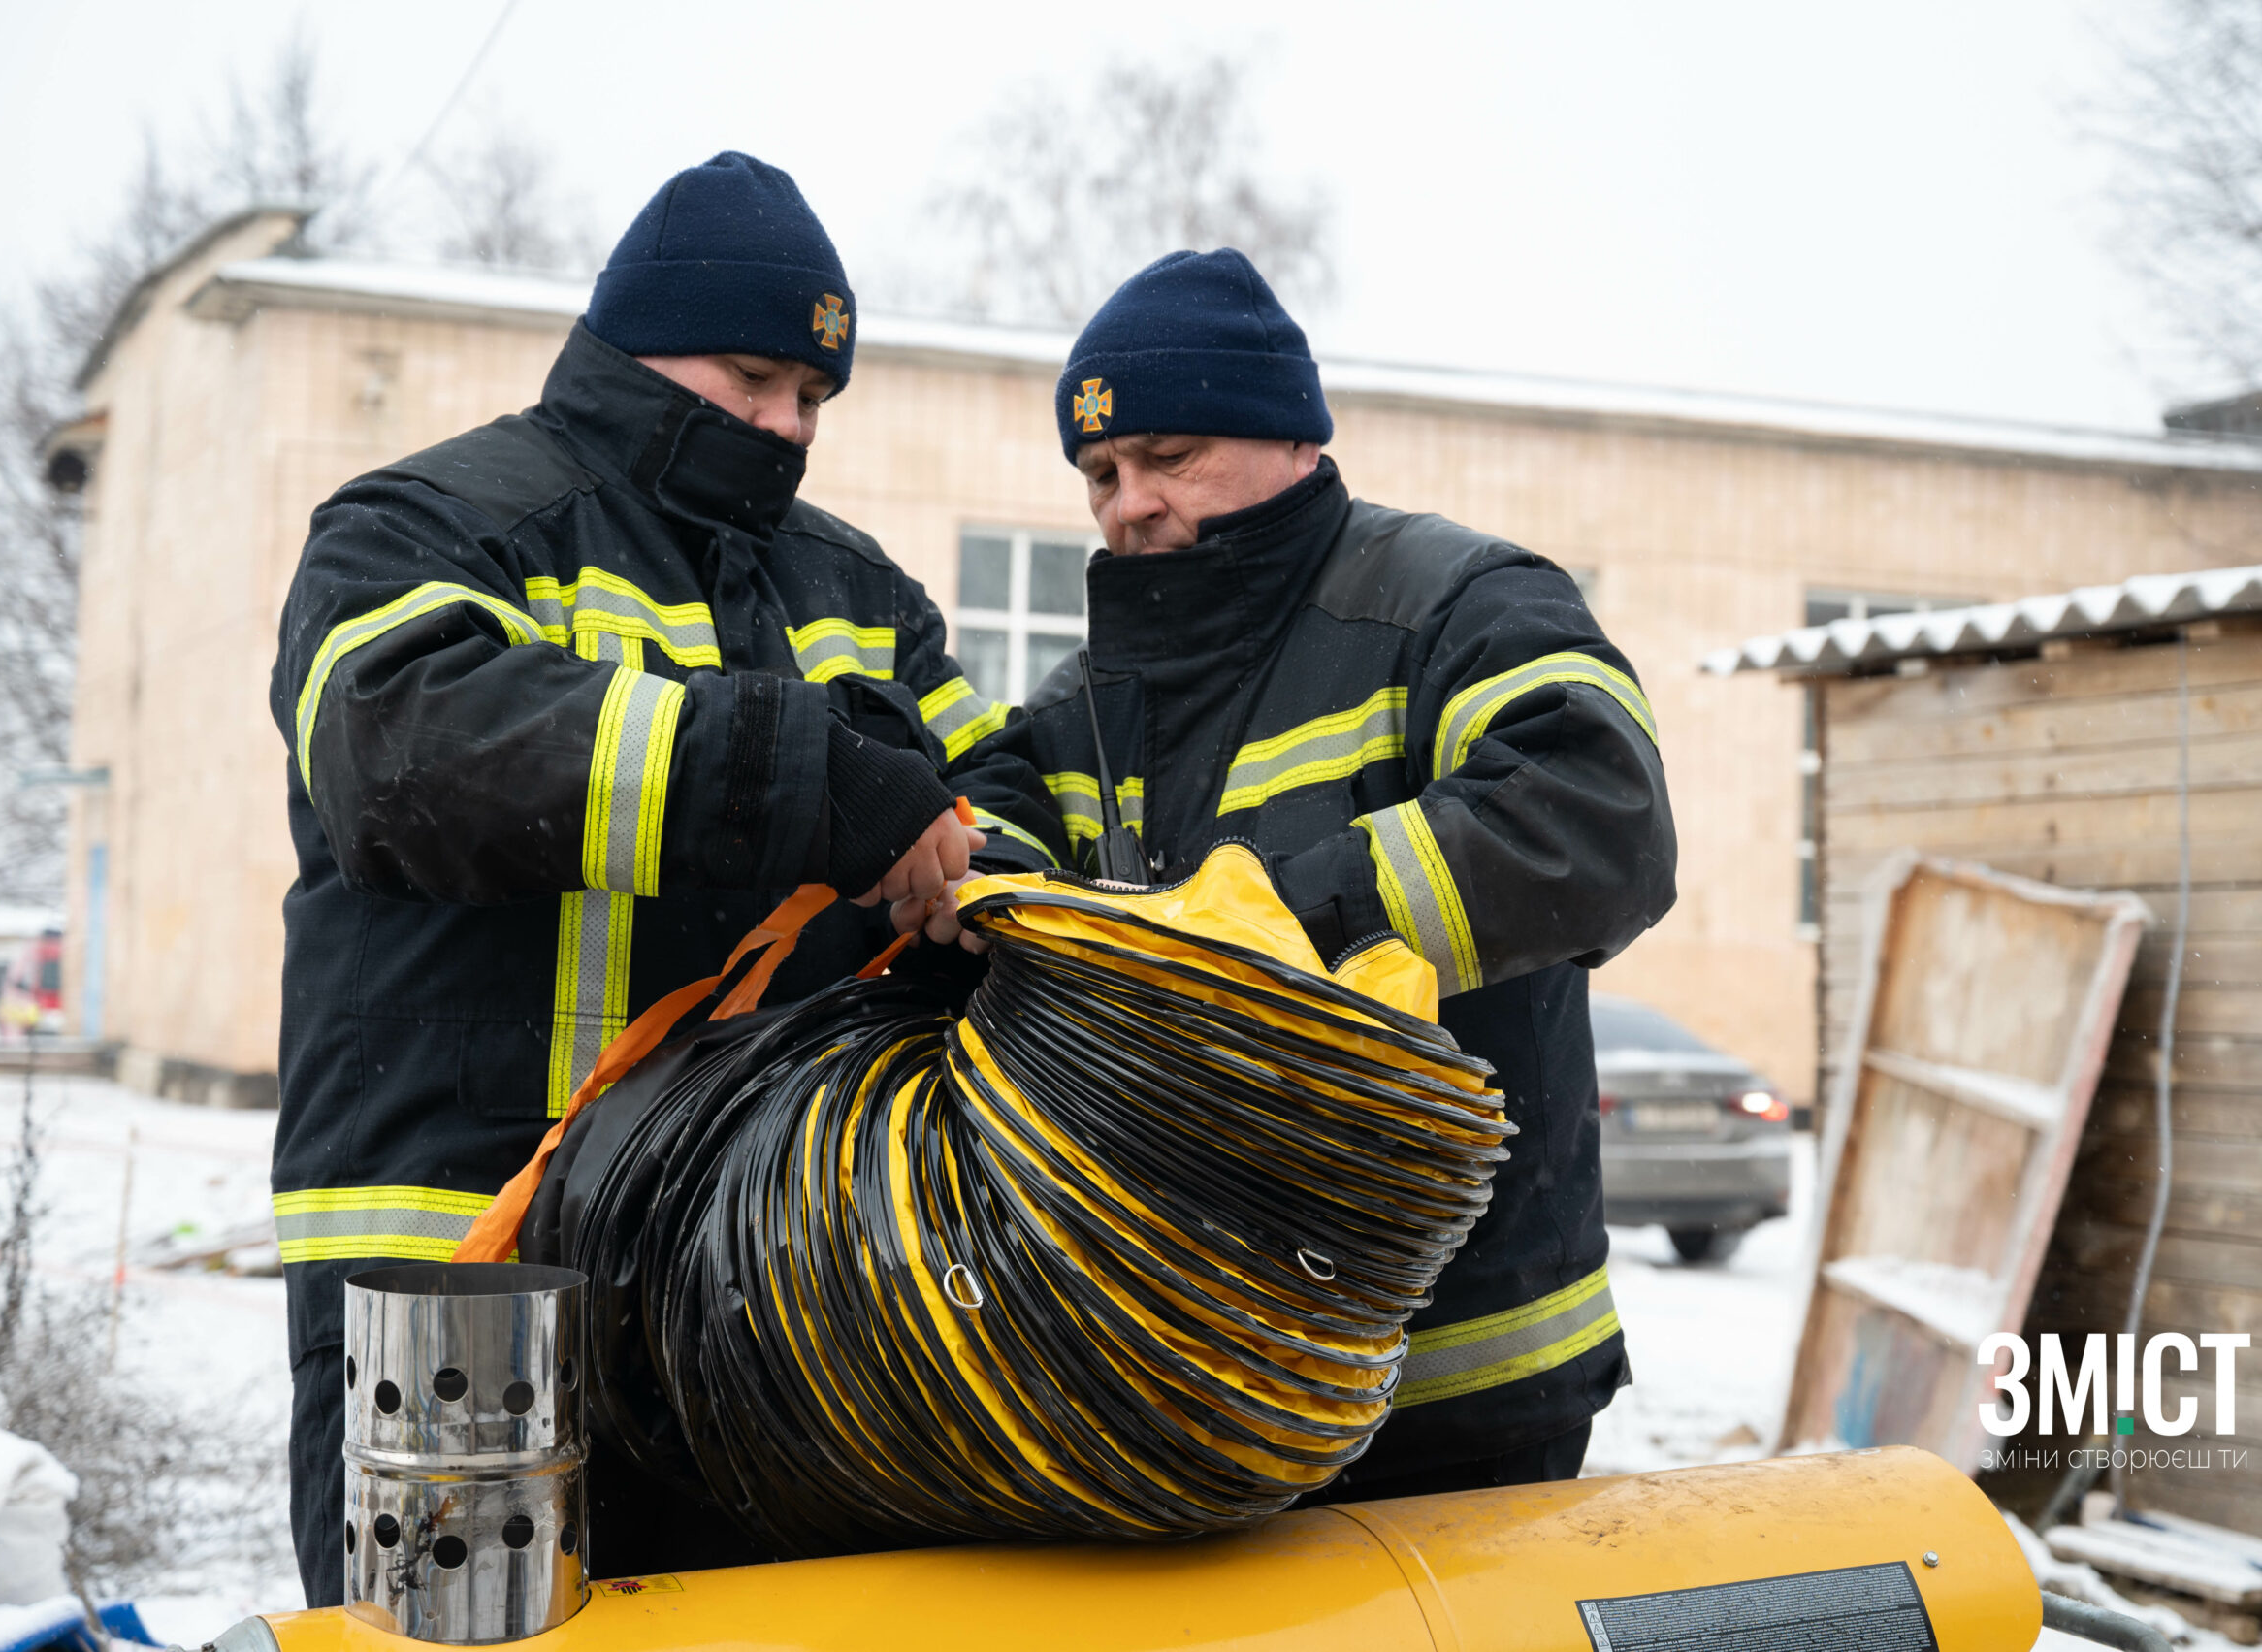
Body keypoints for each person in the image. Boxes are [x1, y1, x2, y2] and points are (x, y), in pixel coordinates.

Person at [265, 151, 1042, 1603]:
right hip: (467, 1269)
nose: (786, 424)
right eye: (755, 379)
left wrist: (975, 860)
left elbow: (1000, 805)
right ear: (633, 342)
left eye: (813, 399)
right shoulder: (428, 524)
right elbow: (403, 755)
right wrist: (805, 777)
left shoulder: (857, 591)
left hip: (758, 1284)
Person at [965, 248, 1678, 1501]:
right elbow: (993, 838)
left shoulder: (1457, 602)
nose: (1130, 504)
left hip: (1461, 1387)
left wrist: (1301, 915)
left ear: (1289, 438)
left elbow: (1600, 820)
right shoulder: (1094, 702)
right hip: (1202, 1384)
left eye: (1168, 458)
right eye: (1100, 475)